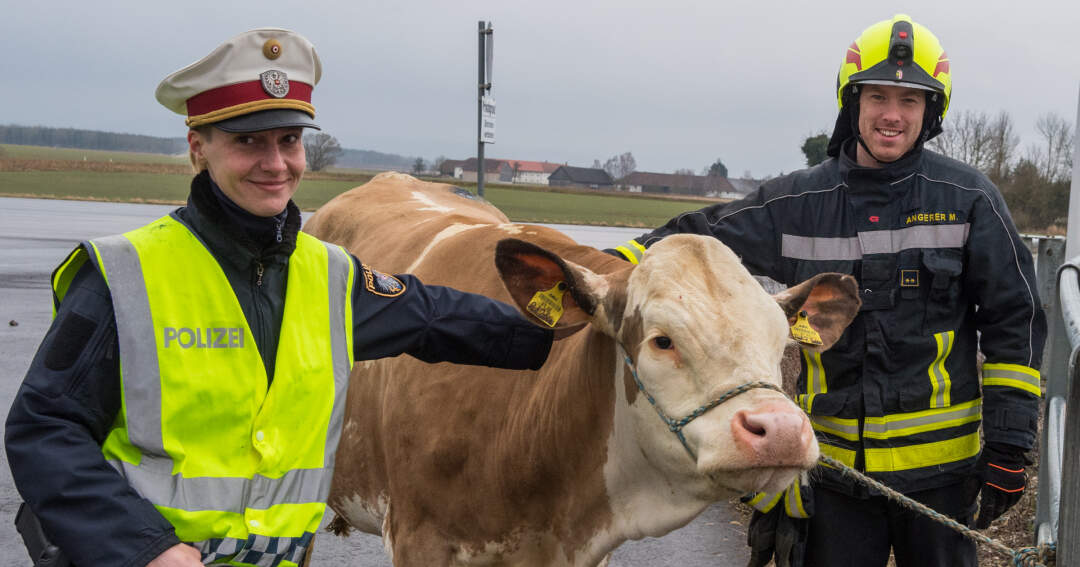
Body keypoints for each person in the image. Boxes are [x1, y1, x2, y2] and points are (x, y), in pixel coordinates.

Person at [5, 28, 555, 567]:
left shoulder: (330, 277)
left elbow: (442, 318)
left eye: (289, 140)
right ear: (199, 148)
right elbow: (45, 429)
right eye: (248, 141)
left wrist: (593, 314)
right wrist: (143, 548)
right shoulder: (123, 275)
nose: (276, 164)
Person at [610, 14, 1045, 567]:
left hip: (942, 481)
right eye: (878, 96)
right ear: (851, 101)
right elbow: (691, 239)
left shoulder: (970, 199)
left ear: (932, 112)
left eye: (911, 100)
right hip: (832, 478)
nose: (892, 114)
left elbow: (1017, 322)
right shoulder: (795, 202)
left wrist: (1009, 446)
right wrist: (599, 265)